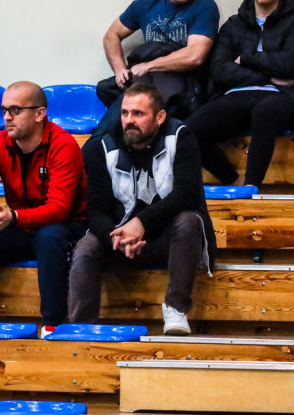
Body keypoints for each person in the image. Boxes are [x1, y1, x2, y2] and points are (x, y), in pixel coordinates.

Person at [68, 83, 216, 335]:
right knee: (86, 246)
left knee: (188, 220)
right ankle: (81, 327)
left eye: (138, 114)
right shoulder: (101, 147)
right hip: (121, 239)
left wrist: (141, 223)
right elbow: (96, 210)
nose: (128, 120)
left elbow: (187, 194)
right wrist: (114, 236)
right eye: (125, 113)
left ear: (160, 117)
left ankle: (176, 309)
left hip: (167, 239)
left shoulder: (180, 136)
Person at [0, 81, 88, 336]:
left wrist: (15, 217)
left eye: (15, 110)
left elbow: (59, 209)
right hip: (22, 225)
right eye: (4, 110)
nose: (7, 117)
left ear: (39, 114)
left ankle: (53, 323)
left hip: (67, 226)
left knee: (49, 236)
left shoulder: (64, 145)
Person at [185, 0, 294, 188]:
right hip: (238, 94)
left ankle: (252, 187)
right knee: (188, 130)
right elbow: (219, 70)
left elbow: (290, 64)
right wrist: (269, 75)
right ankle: (235, 180)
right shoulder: (234, 24)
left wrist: (245, 58)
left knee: (266, 110)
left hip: (282, 96)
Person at [93, 0, 219, 134]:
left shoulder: (205, 7)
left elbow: (195, 56)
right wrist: (120, 70)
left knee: (142, 110)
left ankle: (103, 141)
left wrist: (148, 66)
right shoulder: (147, 3)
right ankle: (100, 146)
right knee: (124, 99)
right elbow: (111, 35)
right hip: (143, 81)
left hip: (180, 83)